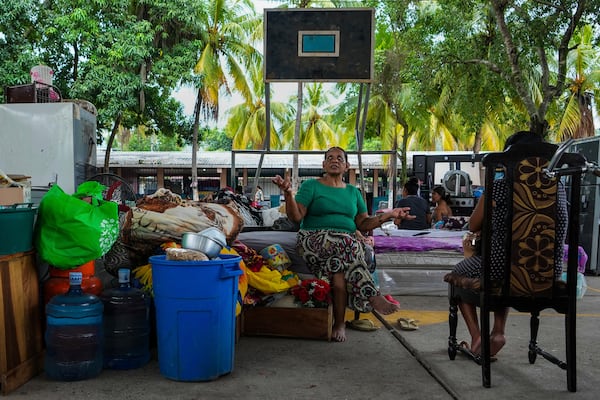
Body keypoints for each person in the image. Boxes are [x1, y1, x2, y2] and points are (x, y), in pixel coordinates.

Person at [443, 131, 568, 357]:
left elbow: (473, 224)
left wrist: (472, 249)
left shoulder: (499, 185)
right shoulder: (557, 188)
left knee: (462, 273)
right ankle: (498, 331)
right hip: (548, 276)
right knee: (511, 264)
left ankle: (478, 337)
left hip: (503, 273)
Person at [272, 146, 413, 342]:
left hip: (343, 247)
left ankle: (339, 323)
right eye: (329, 157)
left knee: (338, 274)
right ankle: (371, 294)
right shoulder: (311, 186)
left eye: (339, 158)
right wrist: (288, 193)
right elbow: (296, 217)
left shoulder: (354, 193)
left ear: (347, 166)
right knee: (351, 242)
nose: (334, 160)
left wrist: (387, 216)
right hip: (314, 240)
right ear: (323, 164)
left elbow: (362, 223)